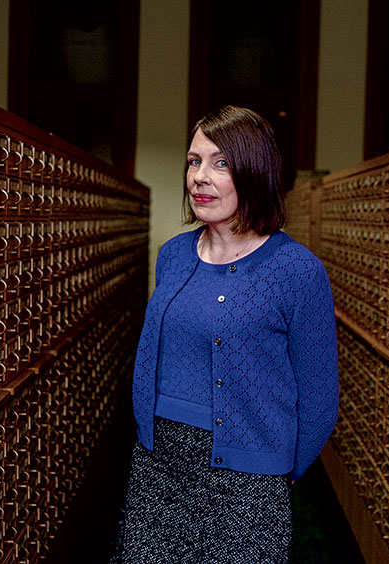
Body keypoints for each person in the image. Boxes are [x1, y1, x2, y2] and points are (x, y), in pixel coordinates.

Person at [111, 105, 338, 563]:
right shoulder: (173, 255)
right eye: (194, 161)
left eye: (220, 163)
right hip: (160, 467)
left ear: (254, 172)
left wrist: (271, 470)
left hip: (246, 482)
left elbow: (319, 399)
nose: (200, 176)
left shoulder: (297, 272)